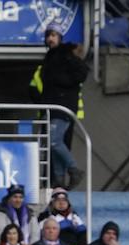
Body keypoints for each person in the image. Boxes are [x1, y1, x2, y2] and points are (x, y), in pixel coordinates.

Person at [37, 28, 88, 188]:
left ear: (60, 37)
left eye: (53, 36)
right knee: (53, 143)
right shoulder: (50, 56)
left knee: (54, 141)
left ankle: (74, 170)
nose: (50, 39)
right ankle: (58, 180)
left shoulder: (66, 53)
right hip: (51, 106)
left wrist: (63, 81)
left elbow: (82, 73)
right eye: (48, 36)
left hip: (63, 106)